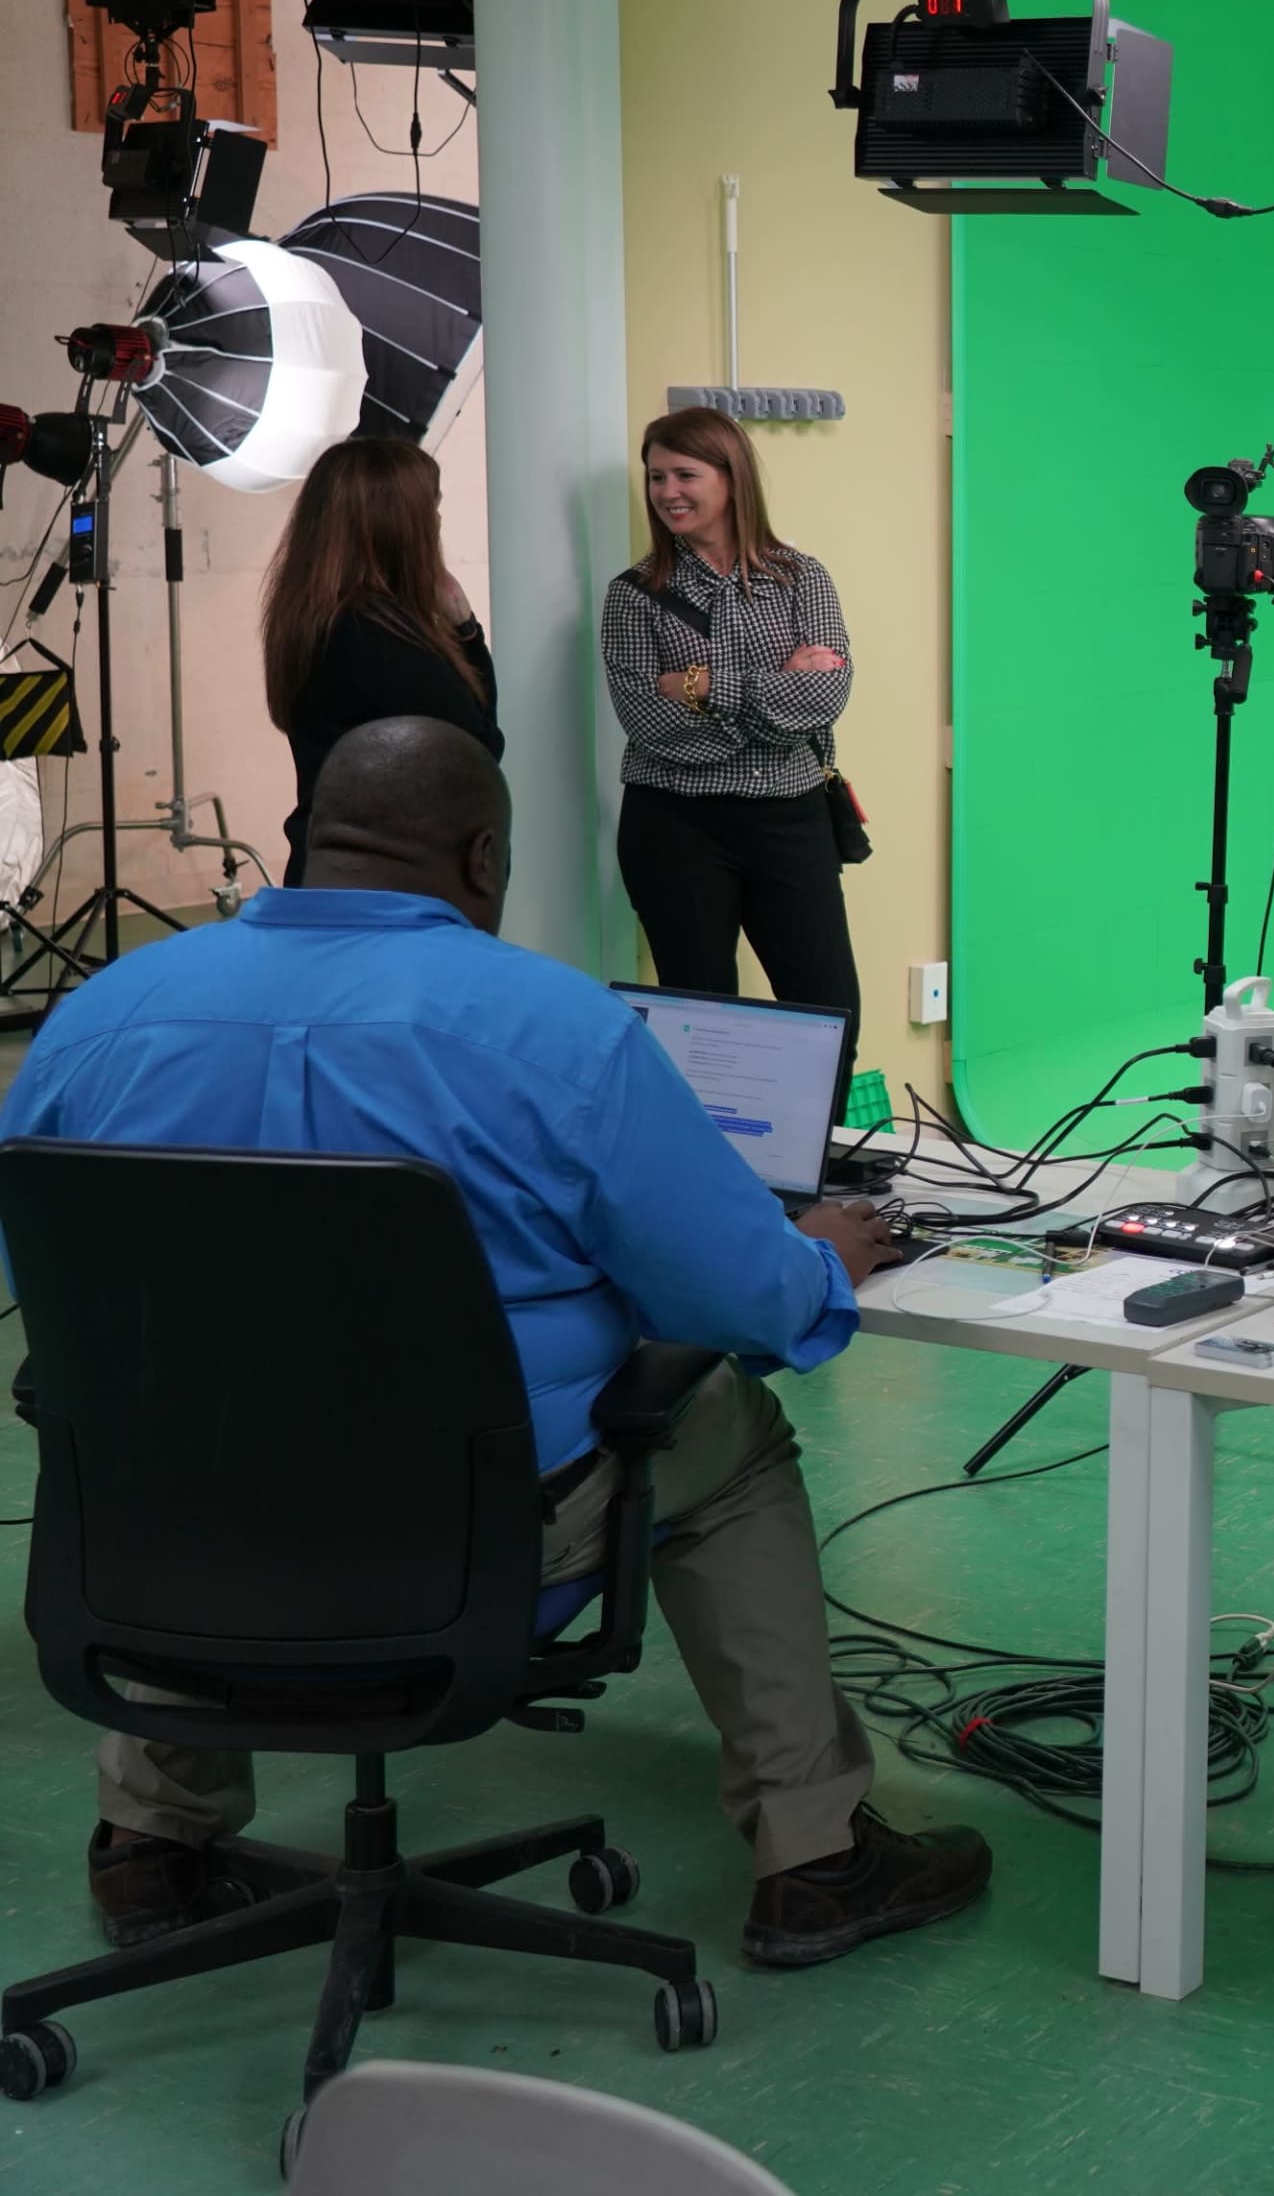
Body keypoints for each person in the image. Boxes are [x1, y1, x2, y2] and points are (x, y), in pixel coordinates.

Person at [13, 719, 989, 1969]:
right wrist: (821, 1261)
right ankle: (818, 1856)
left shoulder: (100, 1017)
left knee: (189, 1424)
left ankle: (152, 1838)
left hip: (170, 1550)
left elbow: (40, 1277)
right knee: (728, 1435)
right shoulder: (556, 1030)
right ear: (485, 857)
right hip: (470, 1546)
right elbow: (739, 1299)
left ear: (306, 842)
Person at [600, 407, 863, 1036]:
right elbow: (650, 723)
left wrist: (701, 685)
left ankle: (814, 1137)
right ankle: (712, 1139)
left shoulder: (802, 579)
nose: (667, 493)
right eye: (656, 477)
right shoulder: (633, 594)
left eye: (684, 474)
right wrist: (777, 692)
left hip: (791, 820)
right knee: (701, 1025)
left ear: (731, 476)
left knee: (831, 1018)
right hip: (675, 825)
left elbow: (823, 700)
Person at [258, 435, 499, 885]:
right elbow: (478, 750)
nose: (438, 522)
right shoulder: (375, 635)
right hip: (384, 885)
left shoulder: (317, 617)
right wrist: (467, 635)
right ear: (399, 524)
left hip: (335, 869)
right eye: (433, 507)